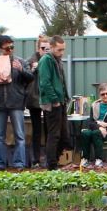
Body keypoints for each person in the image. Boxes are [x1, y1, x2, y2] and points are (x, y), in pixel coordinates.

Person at [0, 34, 32, 170]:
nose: (10, 50)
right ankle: (0, 163)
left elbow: (30, 78)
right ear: (0, 48)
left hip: (16, 102)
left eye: (12, 47)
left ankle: (19, 163)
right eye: (7, 48)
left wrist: (21, 70)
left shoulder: (20, 62)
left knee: (19, 135)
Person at [37, 35, 73, 170]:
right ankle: (51, 166)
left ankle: (55, 162)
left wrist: (65, 98)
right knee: (54, 135)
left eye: (63, 49)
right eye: (59, 50)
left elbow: (61, 82)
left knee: (65, 136)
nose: (62, 52)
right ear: (51, 47)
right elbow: (44, 83)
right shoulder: (46, 60)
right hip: (52, 103)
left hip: (61, 101)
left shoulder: (57, 60)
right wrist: (55, 101)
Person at [24, 33, 49, 167]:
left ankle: (49, 159)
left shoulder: (51, 60)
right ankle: (35, 160)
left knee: (48, 128)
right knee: (36, 129)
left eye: (47, 48)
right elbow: (25, 77)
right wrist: (34, 69)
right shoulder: (29, 61)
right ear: (38, 48)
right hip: (34, 98)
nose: (45, 50)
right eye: (43, 48)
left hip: (47, 98)